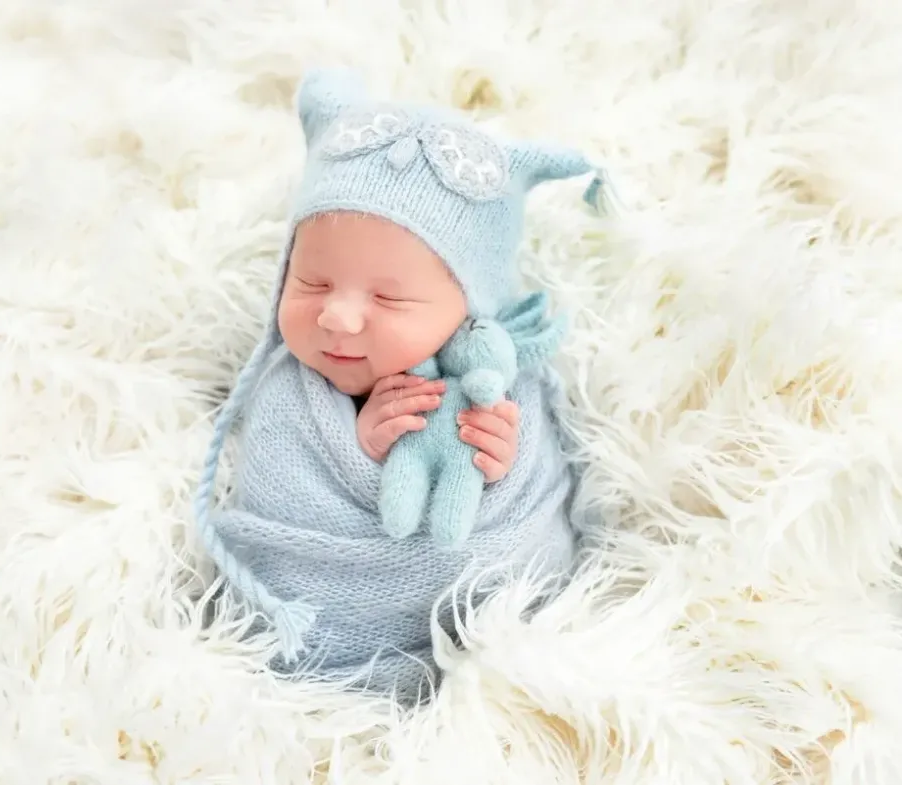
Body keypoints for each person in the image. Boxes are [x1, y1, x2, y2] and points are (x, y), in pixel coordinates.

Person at [193, 66, 609, 703]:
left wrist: (498, 459)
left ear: (470, 308)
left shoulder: (500, 381)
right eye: (311, 283)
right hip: (315, 636)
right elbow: (277, 496)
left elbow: (537, 513)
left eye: (388, 297)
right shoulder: (289, 393)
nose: (337, 316)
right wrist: (364, 448)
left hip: (482, 652)